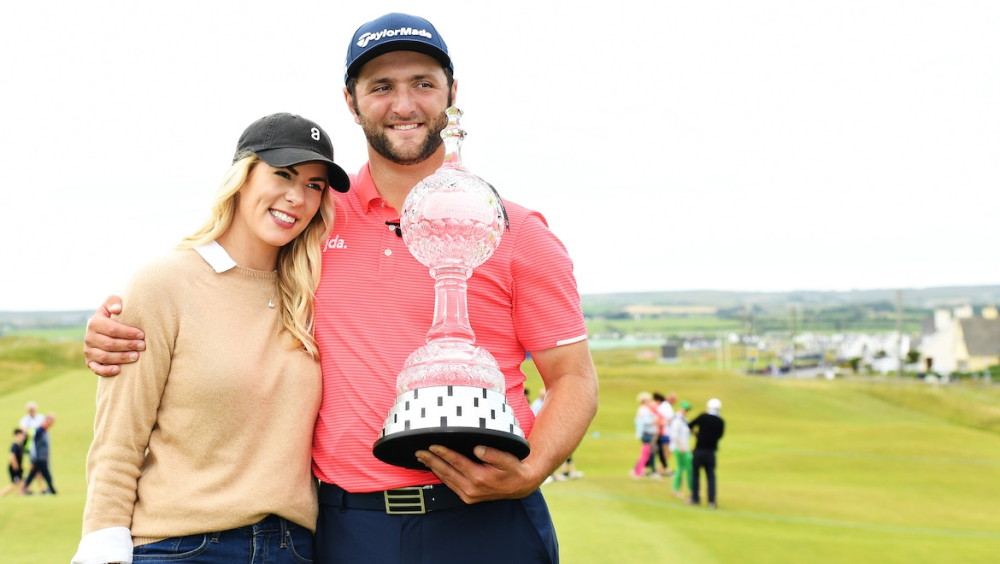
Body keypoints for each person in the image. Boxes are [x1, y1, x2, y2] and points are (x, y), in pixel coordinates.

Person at [82, 13, 599, 564]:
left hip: (490, 523)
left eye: (423, 83)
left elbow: (573, 378)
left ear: (452, 94)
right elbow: (219, 285)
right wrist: (121, 324)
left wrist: (532, 468)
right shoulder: (311, 221)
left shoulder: (515, 229)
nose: (404, 105)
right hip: (348, 529)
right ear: (352, 102)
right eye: (381, 87)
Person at [71, 112, 350, 564]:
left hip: (292, 549)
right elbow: (119, 440)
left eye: (315, 185)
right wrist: (103, 545)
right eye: (282, 174)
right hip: (181, 547)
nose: (297, 197)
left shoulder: (314, 294)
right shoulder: (163, 283)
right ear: (242, 177)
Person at [688, 398, 726, 509]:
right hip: (711, 452)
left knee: (695, 474)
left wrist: (696, 434)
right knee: (711, 476)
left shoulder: (703, 416)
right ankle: (712, 501)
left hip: (699, 450)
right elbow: (720, 436)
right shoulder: (720, 421)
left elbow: (690, 424)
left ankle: (695, 498)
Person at [21, 413, 56, 495]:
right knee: (45, 474)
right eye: (52, 421)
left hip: (42, 457)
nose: (52, 423)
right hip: (39, 458)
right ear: (47, 420)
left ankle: (23, 489)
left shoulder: (44, 431)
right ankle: (52, 490)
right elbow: (33, 445)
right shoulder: (39, 431)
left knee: (33, 474)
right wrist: (33, 458)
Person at [632, 392, 662, 480]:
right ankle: (640, 471)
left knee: (649, 453)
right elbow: (645, 421)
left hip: (648, 434)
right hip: (646, 434)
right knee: (647, 454)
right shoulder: (643, 409)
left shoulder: (644, 409)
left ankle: (647, 471)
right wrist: (654, 420)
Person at [646, 392, 674, 477]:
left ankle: (660, 469)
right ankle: (659, 469)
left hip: (662, 433)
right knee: (662, 451)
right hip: (662, 433)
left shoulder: (662, 407)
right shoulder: (663, 407)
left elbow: (664, 419)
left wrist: (662, 423)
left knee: (663, 451)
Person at [668, 400, 692, 499]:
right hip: (679, 448)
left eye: (687, 410)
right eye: (684, 409)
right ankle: (675, 489)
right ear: (680, 408)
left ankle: (691, 489)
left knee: (689, 468)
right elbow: (674, 435)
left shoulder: (685, 420)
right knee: (680, 468)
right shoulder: (677, 420)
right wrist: (681, 446)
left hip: (685, 447)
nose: (685, 411)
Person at [1, 429, 26, 498]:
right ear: (17, 435)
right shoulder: (14, 445)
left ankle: (20, 495)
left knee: (22, 483)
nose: (23, 437)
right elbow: (12, 456)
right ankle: (1, 494)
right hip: (14, 468)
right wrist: (15, 466)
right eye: (22, 435)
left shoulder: (19, 445)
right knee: (14, 485)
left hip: (18, 467)